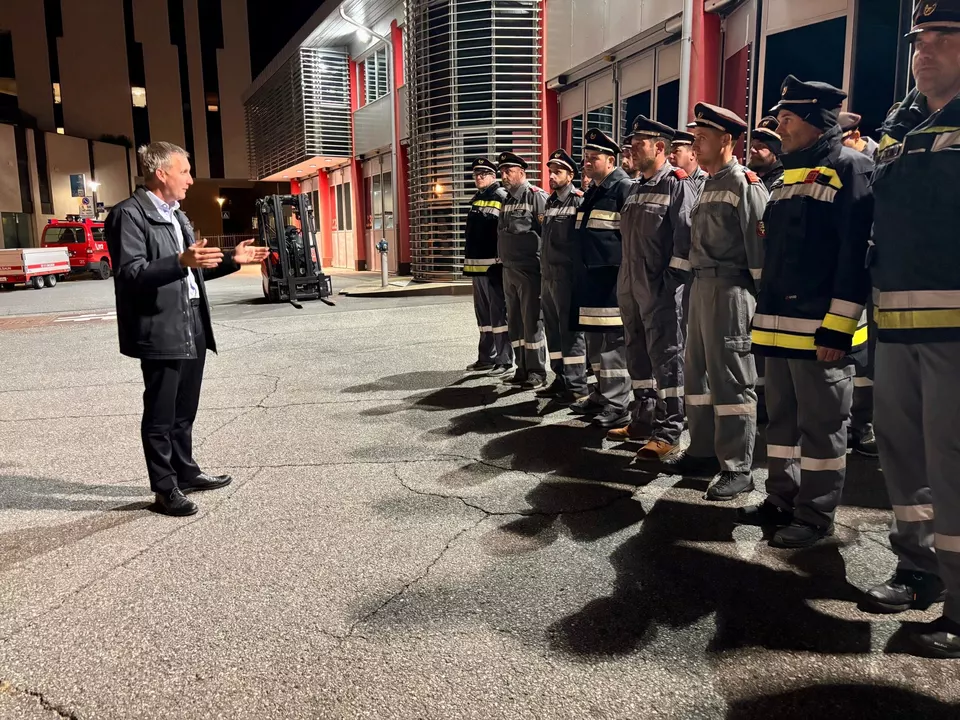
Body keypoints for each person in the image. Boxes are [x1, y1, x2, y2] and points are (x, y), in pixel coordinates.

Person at [738, 76, 874, 548]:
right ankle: (782, 498)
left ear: (816, 121)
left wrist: (838, 329)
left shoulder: (850, 168)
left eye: (789, 119)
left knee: (822, 428)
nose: (781, 128)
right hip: (778, 330)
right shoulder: (789, 173)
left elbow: (856, 254)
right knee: (782, 423)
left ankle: (816, 515)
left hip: (821, 333)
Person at [863, 0, 960, 658]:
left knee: (954, 468)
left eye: (944, 37)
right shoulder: (899, 124)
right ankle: (917, 568)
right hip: (895, 324)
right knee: (904, 461)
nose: (924, 50)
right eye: (919, 39)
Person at [106, 142, 268, 517]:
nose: (191, 180)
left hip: (192, 316)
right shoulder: (129, 215)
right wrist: (180, 260)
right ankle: (164, 489)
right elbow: (130, 273)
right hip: (160, 324)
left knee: (185, 409)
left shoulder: (177, 215)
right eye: (184, 172)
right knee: (161, 412)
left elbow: (195, 268)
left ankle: (186, 471)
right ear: (161, 173)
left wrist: (232, 259)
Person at [669, 104, 769, 501]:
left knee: (731, 378)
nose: (695, 143)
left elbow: (759, 250)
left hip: (731, 292)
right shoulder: (709, 182)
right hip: (701, 289)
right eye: (694, 137)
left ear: (727, 140)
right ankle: (703, 449)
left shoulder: (745, 183)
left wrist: (760, 305)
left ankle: (737, 467)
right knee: (698, 376)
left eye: (702, 137)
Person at [608, 115, 695, 462]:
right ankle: (642, 419)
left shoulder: (676, 184)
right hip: (631, 288)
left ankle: (670, 429)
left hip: (659, 291)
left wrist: (667, 285)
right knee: (637, 353)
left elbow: (684, 241)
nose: (631, 147)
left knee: (667, 357)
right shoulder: (635, 187)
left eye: (638, 142)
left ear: (660, 147)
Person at [571, 128, 635, 429]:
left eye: (593, 158)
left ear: (611, 161)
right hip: (591, 281)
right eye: (586, 158)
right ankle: (600, 393)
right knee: (595, 345)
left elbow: (631, 239)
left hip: (611, 282)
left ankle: (618, 404)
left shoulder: (623, 188)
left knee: (613, 347)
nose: (586, 163)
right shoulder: (595, 192)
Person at [838, 111, 881, 457]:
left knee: (866, 360)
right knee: (855, 356)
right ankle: (854, 423)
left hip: (873, 275)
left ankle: (862, 427)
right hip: (857, 271)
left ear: (855, 134)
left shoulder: (872, 162)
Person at [538, 149, 588, 404]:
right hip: (548, 277)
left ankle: (577, 385)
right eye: (550, 171)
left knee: (571, 333)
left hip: (567, 278)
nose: (552, 176)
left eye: (558, 172)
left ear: (570, 175)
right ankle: (560, 378)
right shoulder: (550, 202)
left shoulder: (578, 200)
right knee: (553, 332)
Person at [497, 151, 550, 390]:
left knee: (532, 322)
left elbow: (546, 234)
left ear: (522, 172)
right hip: (509, 270)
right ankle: (522, 368)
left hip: (530, 271)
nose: (504, 175)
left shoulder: (536, 196)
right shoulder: (507, 199)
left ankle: (537, 371)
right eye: (502, 171)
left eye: (508, 171)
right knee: (515, 323)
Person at [746, 115, 785, 424]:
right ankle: (761, 401)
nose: (754, 150)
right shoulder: (752, 181)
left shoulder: (781, 180)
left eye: (761, 146)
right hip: (757, 272)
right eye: (753, 145)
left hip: (774, 270)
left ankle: (770, 403)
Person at [463, 157, 513, 377]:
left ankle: (504, 361)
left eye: (483, 173)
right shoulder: (478, 198)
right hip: (477, 267)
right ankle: (486, 357)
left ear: (494, 176)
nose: (479, 177)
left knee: (498, 316)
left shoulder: (500, 196)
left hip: (494, 267)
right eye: (476, 174)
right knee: (483, 318)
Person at [748, 116, 785, 192]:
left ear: (774, 151)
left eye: (760, 146)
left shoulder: (783, 181)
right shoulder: (747, 176)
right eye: (752, 146)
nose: (752, 150)